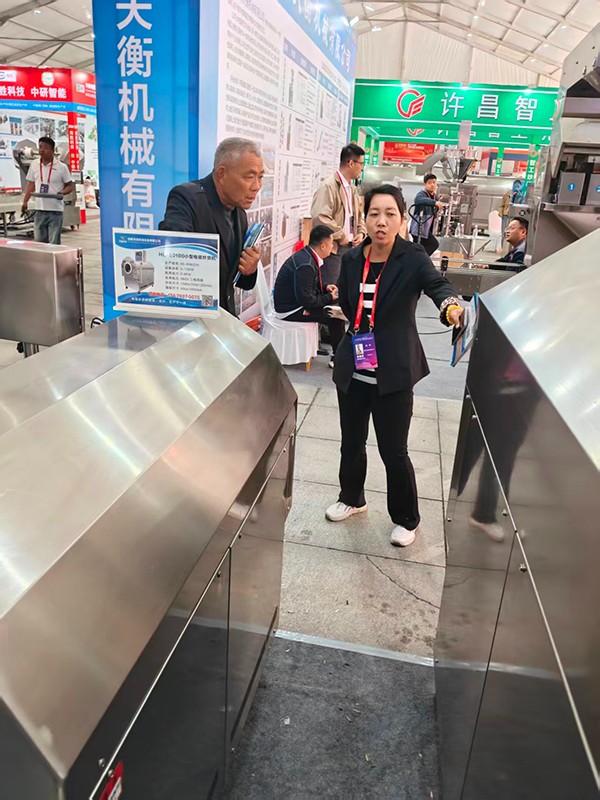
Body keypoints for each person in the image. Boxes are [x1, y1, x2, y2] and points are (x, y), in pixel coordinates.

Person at [325, 184, 464, 548]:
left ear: (402, 219)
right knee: (351, 442)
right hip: (355, 367)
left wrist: (450, 306)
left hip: (394, 372)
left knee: (393, 450)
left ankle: (406, 518)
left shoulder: (412, 257)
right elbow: (350, 303)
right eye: (374, 214)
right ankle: (351, 498)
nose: (381, 222)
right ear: (365, 218)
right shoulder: (353, 258)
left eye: (390, 214)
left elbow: (437, 285)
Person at [159, 137, 263, 316]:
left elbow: (236, 281)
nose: (257, 187)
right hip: (194, 319)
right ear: (221, 174)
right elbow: (172, 258)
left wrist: (249, 270)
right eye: (249, 177)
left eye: (260, 177)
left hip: (224, 319)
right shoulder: (187, 198)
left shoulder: (240, 214)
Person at [273, 224, 345, 368]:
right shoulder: (306, 264)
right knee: (335, 316)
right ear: (323, 246)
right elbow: (307, 301)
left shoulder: (307, 256)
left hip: (295, 303)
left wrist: (325, 288)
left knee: (335, 310)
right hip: (290, 310)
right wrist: (330, 298)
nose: (333, 247)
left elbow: (309, 286)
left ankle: (339, 354)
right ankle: (339, 358)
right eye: (331, 243)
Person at [311, 143, 367, 285]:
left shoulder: (352, 188)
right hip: (334, 250)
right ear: (351, 163)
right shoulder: (329, 186)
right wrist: (341, 235)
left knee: (346, 288)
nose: (362, 168)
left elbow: (359, 215)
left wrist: (361, 232)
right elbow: (320, 217)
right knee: (332, 288)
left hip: (351, 247)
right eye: (361, 164)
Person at [21, 136, 74, 244]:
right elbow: (31, 184)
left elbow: (70, 186)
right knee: (39, 244)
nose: (42, 150)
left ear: (52, 151)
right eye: (40, 147)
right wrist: (25, 202)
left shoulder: (62, 167)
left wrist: (62, 192)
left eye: (45, 147)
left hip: (55, 210)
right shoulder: (34, 164)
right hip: (39, 210)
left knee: (54, 243)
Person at [410, 173, 443, 256]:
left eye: (434, 182)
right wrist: (434, 203)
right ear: (425, 184)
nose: (432, 185)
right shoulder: (421, 194)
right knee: (433, 244)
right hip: (419, 228)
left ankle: (419, 260)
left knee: (421, 249)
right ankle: (421, 260)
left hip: (427, 228)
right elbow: (418, 200)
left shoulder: (435, 196)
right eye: (429, 182)